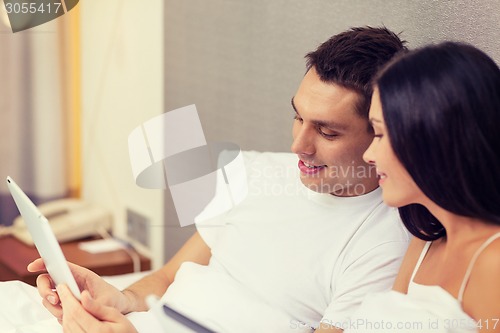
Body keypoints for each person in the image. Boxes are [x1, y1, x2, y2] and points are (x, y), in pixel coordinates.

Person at [28, 27, 410, 333]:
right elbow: (164, 278)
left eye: (327, 133)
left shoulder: (383, 240)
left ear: (380, 132)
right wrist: (115, 299)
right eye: (298, 117)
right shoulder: (259, 172)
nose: (298, 146)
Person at [346, 42, 500, 332]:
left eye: (379, 134)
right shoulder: (426, 240)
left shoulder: (493, 263)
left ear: (430, 137)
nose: (368, 155)